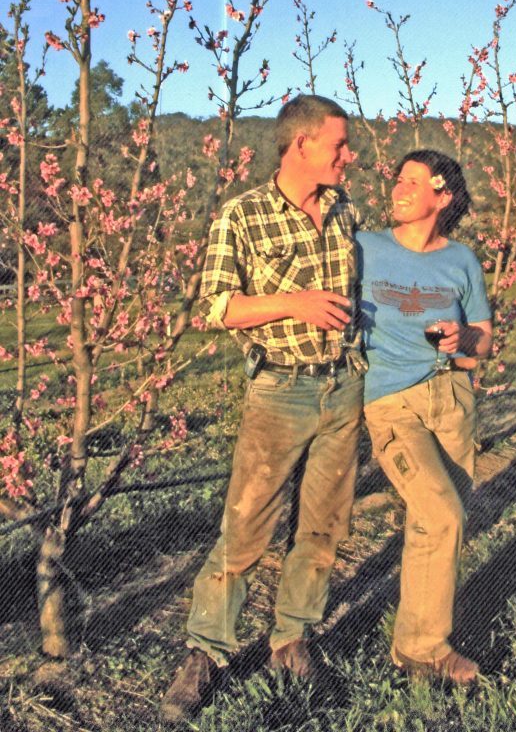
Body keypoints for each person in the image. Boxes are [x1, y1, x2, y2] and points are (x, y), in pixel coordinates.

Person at [161, 95, 364, 724]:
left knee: (323, 528)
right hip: (280, 389)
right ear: (300, 144)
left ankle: (292, 638)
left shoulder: (345, 210)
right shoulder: (241, 215)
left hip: (344, 387)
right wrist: (294, 303)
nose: (348, 156)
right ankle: (207, 650)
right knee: (245, 528)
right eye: (339, 145)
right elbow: (217, 308)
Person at [357, 149, 492, 686]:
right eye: (397, 179)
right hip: (392, 404)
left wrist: (466, 339)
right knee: (442, 516)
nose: (398, 188)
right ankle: (425, 647)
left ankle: (412, 646)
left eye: (413, 181)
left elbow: (484, 340)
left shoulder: (461, 260)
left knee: (435, 523)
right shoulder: (364, 249)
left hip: (453, 400)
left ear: (444, 195)